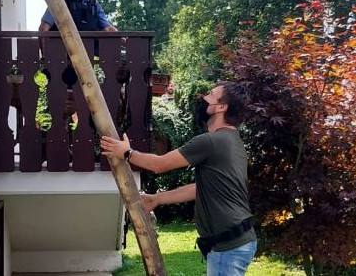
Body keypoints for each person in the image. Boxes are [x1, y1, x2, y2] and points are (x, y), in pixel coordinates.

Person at [100, 82, 256, 276]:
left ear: (222, 107)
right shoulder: (232, 140)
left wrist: (126, 152)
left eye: (210, 95)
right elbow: (200, 189)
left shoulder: (211, 142)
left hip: (228, 245)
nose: (203, 98)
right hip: (236, 241)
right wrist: (156, 199)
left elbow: (159, 165)